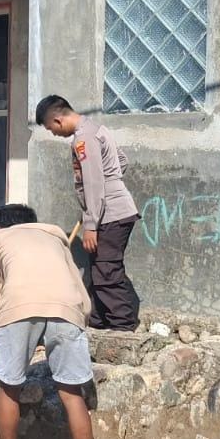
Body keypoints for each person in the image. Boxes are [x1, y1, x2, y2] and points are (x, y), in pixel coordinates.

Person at [0, 203, 103, 439]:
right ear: (33, 222)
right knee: (72, 392)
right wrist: (77, 318)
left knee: (9, 385)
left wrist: (4, 323)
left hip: (18, 306)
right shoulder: (55, 238)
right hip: (68, 308)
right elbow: (80, 292)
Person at [34, 94, 141, 330]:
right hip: (111, 210)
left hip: (111, 215)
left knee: (106, 270)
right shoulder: (96, 129)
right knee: (100, 268)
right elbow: (121, 161)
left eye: (51, 129)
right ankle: (98, 321)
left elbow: (93, 182)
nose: (54, 133)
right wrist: (109, 184)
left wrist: (91, 223)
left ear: (58, 119)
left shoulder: (84, 139)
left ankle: (123, 327)